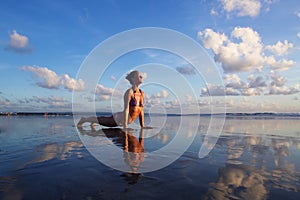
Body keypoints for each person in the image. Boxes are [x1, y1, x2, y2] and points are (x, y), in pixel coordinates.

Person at [77, 70, 146, 129]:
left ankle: (92, 120)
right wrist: (125, 126)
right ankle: (84, 119)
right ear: (133, 78)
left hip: (125, 120)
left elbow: (141, 111)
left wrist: (142, 126)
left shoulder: (142, 93)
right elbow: (126, 109)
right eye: (139, 76)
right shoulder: (129, 92)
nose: (141, 77)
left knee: (101, 119)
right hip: (117, 119)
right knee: (101, 121)